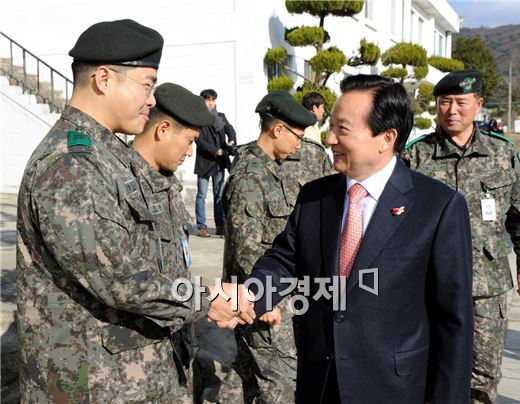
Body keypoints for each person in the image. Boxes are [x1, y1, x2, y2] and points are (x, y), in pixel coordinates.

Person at [15, 20, 252, 402]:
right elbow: (123, 279)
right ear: (104, 79)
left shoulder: (109, 156)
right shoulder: (71, 165)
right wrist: (208, 298)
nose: (152, 100)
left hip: (133, 380)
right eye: (146, 84)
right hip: (89, 387)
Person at [246, 74, 474, 403]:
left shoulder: (438, 206)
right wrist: (249, 297)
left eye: (342, 128)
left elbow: (454, 322)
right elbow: (283, 259)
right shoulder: (315, 197)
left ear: (385, 137)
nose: (329, 137)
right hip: (321, 384)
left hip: (393, 389)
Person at [403, 70, 520, 404]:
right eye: (444, 102)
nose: (452, 110)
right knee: (429, 368)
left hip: (486, 287)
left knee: (483, 374)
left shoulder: (502, 153)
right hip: (427, 286)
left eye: (460, 103)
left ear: (477, 105)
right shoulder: (416, 156)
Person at [218, 91, 316, 403]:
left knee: (252, 383)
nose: (299, 144)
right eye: (297, 137)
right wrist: (264, 301)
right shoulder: (250, 174)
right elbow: (245, 248)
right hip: (262, 304)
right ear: (277, 130)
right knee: (281, 388)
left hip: (270, 297)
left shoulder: (270, 169)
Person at [194, 89, 237, 237]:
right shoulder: (198, 118)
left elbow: (230, 129)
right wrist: (215, 151)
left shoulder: (221, 117)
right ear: (202, 101)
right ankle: (201, 226)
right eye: (207, 100)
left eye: (213, 100)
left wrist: (231, 140)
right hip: (205, 161)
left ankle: (220, 226)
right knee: (201, 195)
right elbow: (199, 141)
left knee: (219, 196)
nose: (210, 103)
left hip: (219, 162)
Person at [280, 91, 333, 207]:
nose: (324, 112)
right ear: (314, 108)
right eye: (322, 108)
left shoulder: (312, 127)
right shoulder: (308, 129)